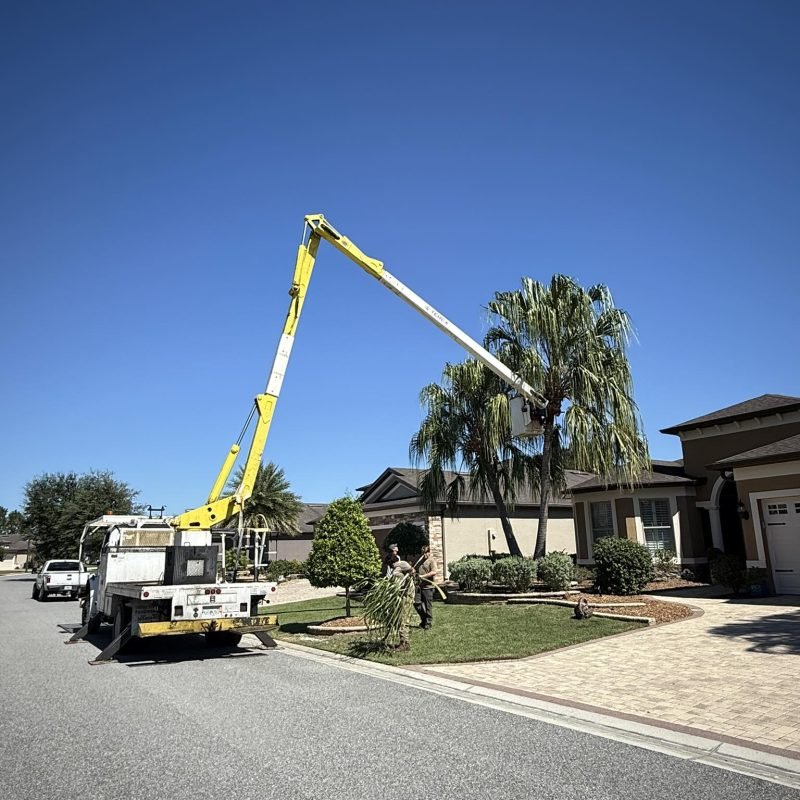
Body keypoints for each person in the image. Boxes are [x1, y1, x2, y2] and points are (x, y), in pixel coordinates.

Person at [414, 544, 437, 630]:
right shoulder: (420, 561)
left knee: (428, 606)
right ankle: (424, 619)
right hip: (419, 587)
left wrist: (423, 577)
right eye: (423, 553)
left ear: (429, 552)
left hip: (428, 587)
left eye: (426, 553)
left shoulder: (431, 561)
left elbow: (434, 572)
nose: (424, 555)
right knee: (416, 603)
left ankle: (428, 623)